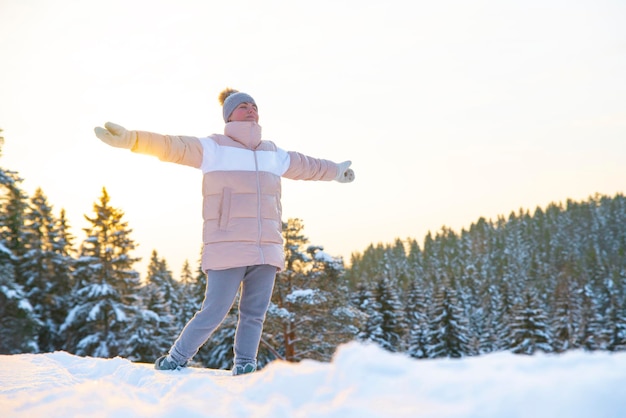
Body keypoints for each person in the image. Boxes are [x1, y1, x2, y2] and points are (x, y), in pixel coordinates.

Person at [94, 88, 355, 375]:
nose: (251, 109)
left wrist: (336, 171)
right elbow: (172, 146)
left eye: (253, 105)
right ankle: (177, 358)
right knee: (214, 310)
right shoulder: (214, 148)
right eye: (243, 105)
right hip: (227, 245)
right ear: (229, 115)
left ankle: (245, 364)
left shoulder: (273, 153)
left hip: (266, 247)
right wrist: (132, 139)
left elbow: (309, 166)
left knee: (254, 315)